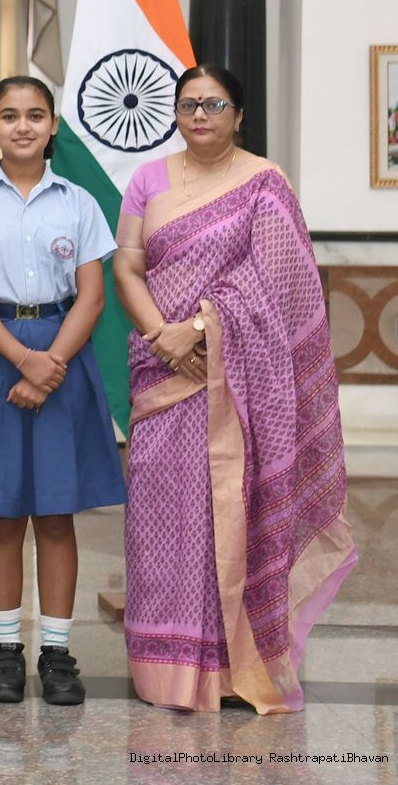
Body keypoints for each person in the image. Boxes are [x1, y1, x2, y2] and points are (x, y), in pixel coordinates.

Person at [113, 65, 356, 714]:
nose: (199, 115)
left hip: (240, 379)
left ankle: (232, 668)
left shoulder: (265, 182)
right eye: (188, 104)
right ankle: (165, 669)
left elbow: (278, 278)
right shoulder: (148, 179)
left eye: (214, 104)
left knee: (232, 513)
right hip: (163, 372)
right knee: (161, 517)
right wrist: (161, 335)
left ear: (239, 115)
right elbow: (127, 265)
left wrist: (198, 329)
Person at [0, 76, 125, 706]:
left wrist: (51, 363)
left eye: (34, 115)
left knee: (55, 512)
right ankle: (4, 650)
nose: (21, 126)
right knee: (1, 514)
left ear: (52, 126)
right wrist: (25, 360)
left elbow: (93, 295)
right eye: (8, 115)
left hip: (63, 355)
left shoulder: (78, 202)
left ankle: (55, 652)